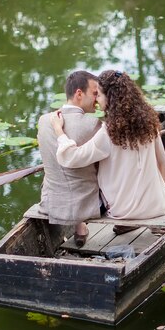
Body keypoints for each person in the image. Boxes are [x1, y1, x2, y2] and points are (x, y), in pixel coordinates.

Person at [50, 70, 165, 233]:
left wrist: (59, 130)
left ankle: (124, 222)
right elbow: (163, 162)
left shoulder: (108, 132)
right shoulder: (149, 123)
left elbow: (72, 157)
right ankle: (150, 220)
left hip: (123, 210)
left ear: (110, 98)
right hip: (158, 205)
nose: (96, 99)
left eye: (99, 95)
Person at [38, 70, 101, 246]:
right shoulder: (93, 124)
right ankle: (121, 225)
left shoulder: (44, 120)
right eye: (95, 93)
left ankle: (80, 229)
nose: (97, 99)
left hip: (51, 204)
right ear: (79, 94)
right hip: (86, 206)